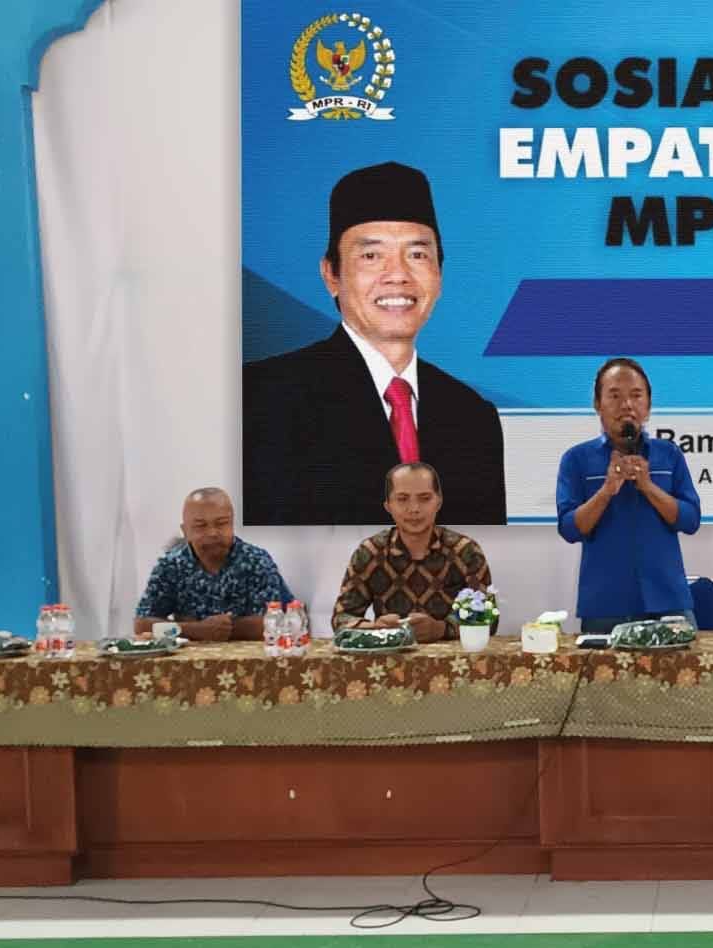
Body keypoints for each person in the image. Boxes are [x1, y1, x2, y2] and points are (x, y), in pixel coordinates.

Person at [243, 161, 507, 527]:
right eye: (371, 255)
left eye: (417, 254)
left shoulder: (473, 418)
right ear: (331, 275)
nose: (397, 274)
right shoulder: (261, 398)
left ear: (439, 275)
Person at [555, 357, 701, 634]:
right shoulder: (576, 459)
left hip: (668, 601)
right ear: (597, 404)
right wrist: (607, 490)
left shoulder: (669, 455)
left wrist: (648, 487)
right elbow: (570, 529)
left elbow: (691, 520)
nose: (626, 405)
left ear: (648, 405)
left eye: (636, 395)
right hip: (605, 605)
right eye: (614, 396)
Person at [331, 462, 494, 641]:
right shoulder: (371, 551)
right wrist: (375, 628)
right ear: (388, 506)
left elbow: (488, 617)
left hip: (455, 656)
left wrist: (441, 629)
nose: (414, 509)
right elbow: (341, 618)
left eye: (425, 498)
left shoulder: (465, 550)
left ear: (438, 502)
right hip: (390, 653)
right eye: (402, 499)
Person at [134, 488, 293, 641]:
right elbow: (142, 625)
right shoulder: (171, 566)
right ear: (185, 531)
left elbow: (272, 622)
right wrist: (197, 630)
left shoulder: (256, 561)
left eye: (221, 523)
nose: (212, 533)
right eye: (201, 526)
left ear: (232, 524)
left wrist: (218, 629)